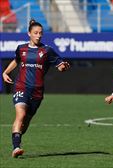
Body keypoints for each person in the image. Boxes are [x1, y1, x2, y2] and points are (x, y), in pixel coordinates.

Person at [2, 19, 70, 158]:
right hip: (21, 86)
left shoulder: (47, 50)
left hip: (37, 91)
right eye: (35, 33)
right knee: (20, 115)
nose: (38, 35)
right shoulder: (21, 48)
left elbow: (60, 65)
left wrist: (64, 67)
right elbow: (16, 60)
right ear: (29, 33)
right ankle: (16, 148)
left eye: (40, 33)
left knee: (25, 122)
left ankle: (18, 137)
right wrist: (5, 72)